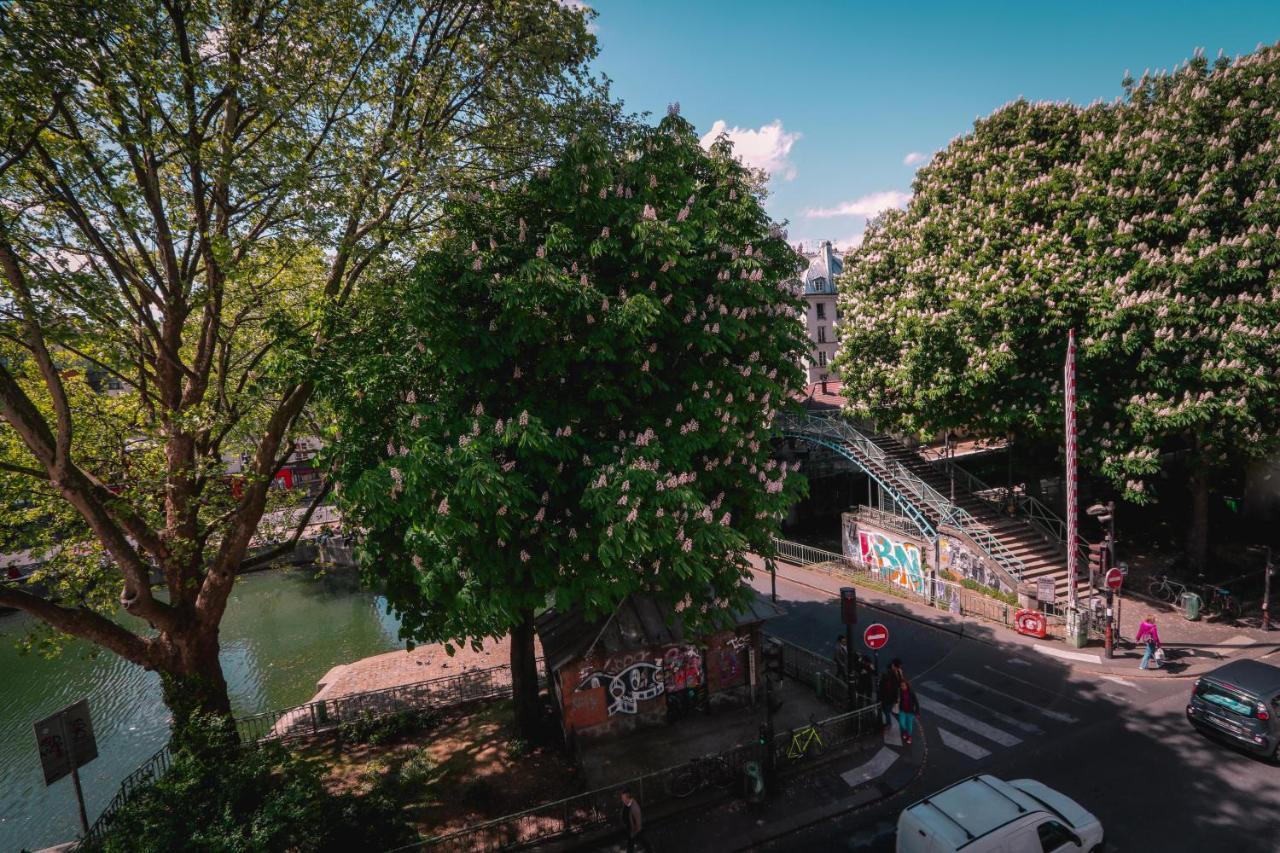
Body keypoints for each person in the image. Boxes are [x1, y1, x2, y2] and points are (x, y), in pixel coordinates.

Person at [897, 672, 921, 745]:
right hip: (902, 710)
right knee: (901, 723)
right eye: (901, 686)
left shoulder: (911, 692)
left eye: (903, 686)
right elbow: (900, 700)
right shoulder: (900, 691)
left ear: (907, 685)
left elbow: (916, 702)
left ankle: (909, 736)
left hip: (910, 712)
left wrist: (917, 712)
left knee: (909, 724)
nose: (902, 687)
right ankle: (905, 731)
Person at [878, 660, 901, 731]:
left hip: (889, 698)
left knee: (887, 711)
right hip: (889, 698)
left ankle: (889, 724)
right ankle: (889, 723)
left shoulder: (891, 677)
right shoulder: (894, 676)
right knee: (887, 711)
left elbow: (893, 688)